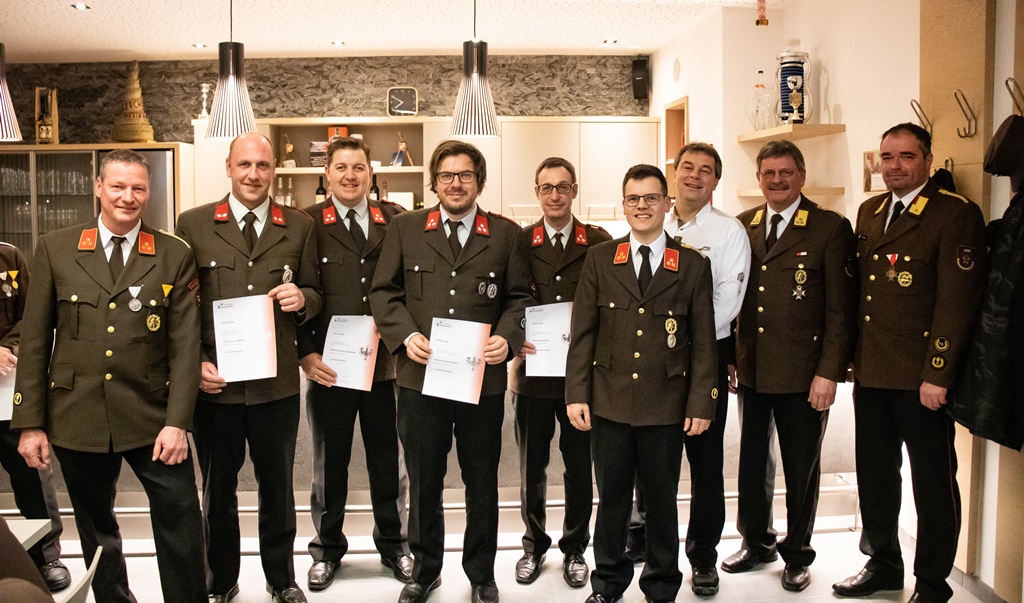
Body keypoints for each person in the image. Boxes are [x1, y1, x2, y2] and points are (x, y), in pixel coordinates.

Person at [12, 149, 207, 602]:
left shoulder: (173, 253)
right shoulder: (57, 248)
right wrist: (30, 423)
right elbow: (35, 339)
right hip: (77, 413)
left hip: (152, 414)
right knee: (96, 528)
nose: (127, 196)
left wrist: (178, 423)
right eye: (118, 186)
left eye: (138, 188)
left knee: (181, 517)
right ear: (98, 187)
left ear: (148, 192)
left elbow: (185, 346)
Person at [369, 139, 533, 603]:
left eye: (465, 175)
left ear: (479, 181)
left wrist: (508, 337)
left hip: (483, 380)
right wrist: (405, 335)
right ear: (434, 182)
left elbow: (520, 297)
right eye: (446, 176)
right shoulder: (404, 228)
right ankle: (424, 572)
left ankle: (481, 574)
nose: (455, 184)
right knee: (424, 481)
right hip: (420, 379)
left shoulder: (505, 234)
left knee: (481, 480)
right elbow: (383, 292)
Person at [833, 123, 986, 603]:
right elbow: (862, 294)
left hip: (922, 378)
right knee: (876, 476)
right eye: (887, 157)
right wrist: (851, 357)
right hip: (873, 371)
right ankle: (883, 564)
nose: (894, 166)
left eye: (906, 156)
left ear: (927, 160)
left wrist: (938, 374)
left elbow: (956, 302)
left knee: (932, 483)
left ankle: (933, 582)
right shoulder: (871, 210)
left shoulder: (954, 213)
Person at [176, 132, 323, 603]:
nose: (254, 174)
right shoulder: (194, 223)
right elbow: (182, 307)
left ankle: (281, 579)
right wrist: (196, 362)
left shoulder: (298, 226)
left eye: (262, 165)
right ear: (228, 167)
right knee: (217, 490)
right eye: (245, 165)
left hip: (275, 386)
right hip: (215, 385)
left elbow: (317, 292)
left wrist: (303, 298)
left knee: (277, 489)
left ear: (273, 170)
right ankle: (221, 580)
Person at [566, 164, 718, 603]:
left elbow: (704, 343)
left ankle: (661, 586)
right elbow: (583, 333)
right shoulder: (601, 259)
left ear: (667, 203)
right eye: (633, 199)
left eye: (651, 198)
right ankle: (608, 584)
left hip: (665, 404)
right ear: (623, 205)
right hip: (609, 402)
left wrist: (701, 403)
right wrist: (576, 393)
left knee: (662, 502)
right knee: (611, 500)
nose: (642, 206)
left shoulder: (691, 265)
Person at [724, 140, 856, 593]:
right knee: (752, 463)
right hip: (753, 369)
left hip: (804, 375)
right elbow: (733, 300)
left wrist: (829, 373)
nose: (777, 180)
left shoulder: (828, 228)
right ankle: (756, 542)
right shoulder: (744, 225)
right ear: (758, 178)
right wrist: (730, 357)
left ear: (802, 176)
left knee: (801, 469)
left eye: (785, 172)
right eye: (769, 173)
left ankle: (797, 553)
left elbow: (841, 310)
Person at [298, 136, 412, 592]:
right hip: (331, 368)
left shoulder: (397, 220)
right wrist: (305, 354)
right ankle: (327, 550)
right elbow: (300, 292)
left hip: (386, 367)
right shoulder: (307, 223)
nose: (350, 176)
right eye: (341, 167)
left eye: (358, 167)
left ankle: (395, 546)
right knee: (330, 465)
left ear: (371, 173)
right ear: (327, 173)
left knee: (389, 462)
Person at [510, 157, 610, 589]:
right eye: (547, 187)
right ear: (537, 192)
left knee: (578, 468)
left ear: (574, 191)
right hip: (531, 375)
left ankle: (575, 548)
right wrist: (514, 334)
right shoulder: (518, 242)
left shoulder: (599, 242)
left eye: (563, 187)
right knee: (531, 468)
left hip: (580, 380)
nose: (555, 195)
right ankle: (533, 545)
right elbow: (508, 300)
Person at [662, 142, 749, 595]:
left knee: (706, 464)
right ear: (674, 172)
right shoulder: (653, 221)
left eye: (705, 170)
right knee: (653, 460)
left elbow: (727, 302)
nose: (694, 176)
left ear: (716, 180)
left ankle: (703, 558)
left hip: (703, 357)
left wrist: (673, 331)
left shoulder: (728, 232)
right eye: (687, 167)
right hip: (655, 360)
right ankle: (654, 549)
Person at [0, 241, 71, 593]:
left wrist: (5, 348)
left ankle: (46, 556)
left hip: (6, 389)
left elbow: (33, 315)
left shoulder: (7, 257)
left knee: (32, 473)